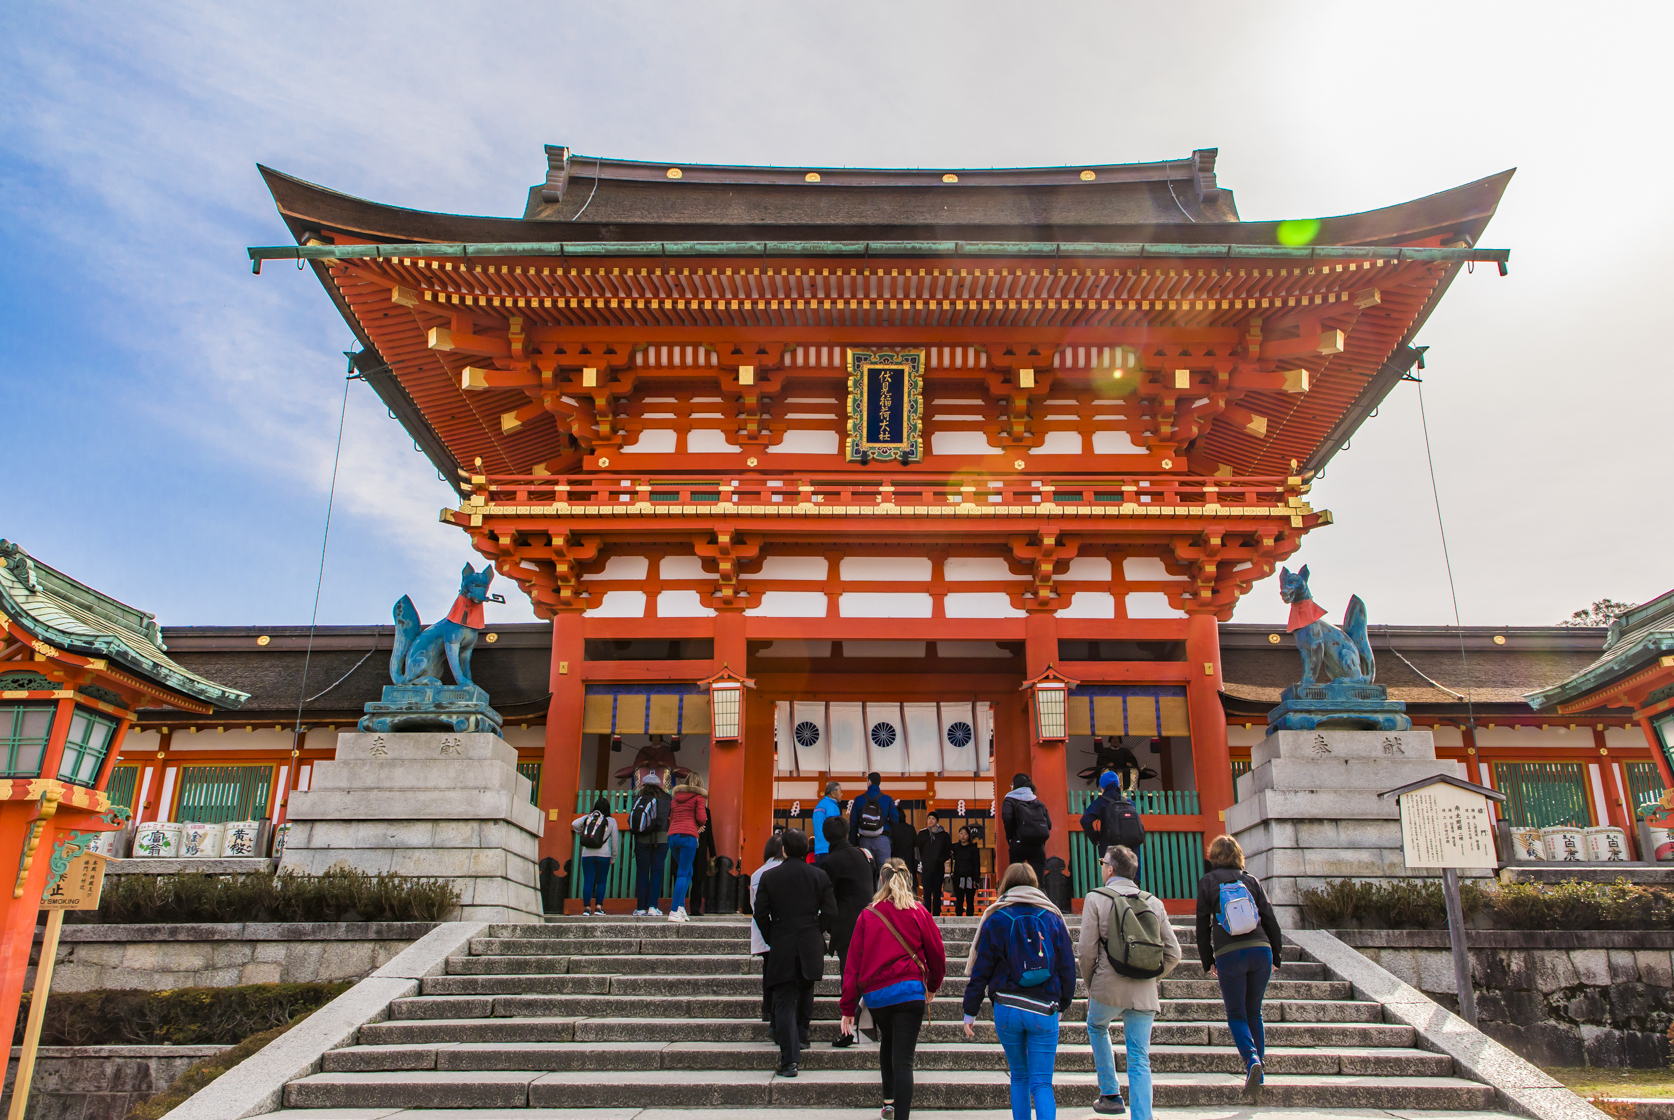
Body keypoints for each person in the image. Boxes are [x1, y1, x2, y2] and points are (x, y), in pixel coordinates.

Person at [961, 862, 1076, 1120]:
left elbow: (982, 968)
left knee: (1020, 1077)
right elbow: (1067, 966)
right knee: (1042, 1083)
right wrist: (1063, 1004)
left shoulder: (997, 917)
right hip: (1043, 1008)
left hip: (1007, 1007)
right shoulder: (1052, 917)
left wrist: (970, 1011)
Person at [840, 859, 947, 1120]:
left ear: (881, 881)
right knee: (904, 1060)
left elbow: (853, 962)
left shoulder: (868, 914)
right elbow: (937, 955)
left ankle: (888, 1103)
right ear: (909, 880)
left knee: (887, 1042)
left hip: (878, 995)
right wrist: (932, 985)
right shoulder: (919, 912)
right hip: (910, 992)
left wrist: (848, 1006)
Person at [1079, 844, 1181, 1118]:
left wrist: (1092, 986)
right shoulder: (1153, 901)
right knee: (1139, 1056)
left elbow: (1086, 952)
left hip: (1107, 986)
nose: (1102, 868)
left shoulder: (1096, 899)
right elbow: (1174, 953)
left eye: (1103, 863)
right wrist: (1151, 977)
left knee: (1097, 1025)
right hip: (1144, 991)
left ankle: (1110, 1093)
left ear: (1110, 869)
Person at [1195, 834, 1284, 1105]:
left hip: (1229, 953)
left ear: (1214, 855)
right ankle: (1260, 1073)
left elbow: (1202, 926)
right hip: (1261, 950)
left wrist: (1207, 960)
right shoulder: (1251, 880)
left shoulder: (1208, 882)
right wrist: (1276, 954)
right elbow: (1269, 918)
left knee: (1236, 1014)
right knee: (1253, 1012)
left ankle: (1251, 1059)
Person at [753, 828, 837, 1078]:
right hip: (810, 940)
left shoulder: (770, 877)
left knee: (785, 999)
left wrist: (772, 936)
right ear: (807, 849)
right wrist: (815, 930)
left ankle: (789, 1060)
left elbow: (760, 913)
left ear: (785, 850)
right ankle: (802, 1036)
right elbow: (831, 912)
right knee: (807, 988)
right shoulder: (819, 876)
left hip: (782, 939)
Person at [822, 816, 876, 1046]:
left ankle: (849, 1031)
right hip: (870, 922)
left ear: (826, 836)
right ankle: (870, 1028)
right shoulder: (865, 856)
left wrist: (823, 926)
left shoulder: (830, 862)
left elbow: (828, 900)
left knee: (849, 977)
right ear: (846, 833)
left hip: (846, 925)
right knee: (869, 976)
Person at [1080, 770, 1147, 885]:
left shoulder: (1101, 802)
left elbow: (1085, 820)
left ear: (1102, 787)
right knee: (1131, 885)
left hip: (1111, 847)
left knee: (1113, 884)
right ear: (1118, 785)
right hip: (1131, 851)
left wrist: (1096, 838)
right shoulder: (1129, 803)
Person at [750, 834, 786, 1023]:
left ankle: (766, 1006)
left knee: (768, 969)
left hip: (764, 929)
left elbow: (755, 907)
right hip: (784, 928)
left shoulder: (757, 873)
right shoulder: (786, 870)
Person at [666, 774, 709, 923]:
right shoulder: (699, 798)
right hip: (688, 836)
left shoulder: (675, 798)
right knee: (683, 873)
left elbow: (671, 817)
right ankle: (673, 911)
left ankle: (680, 907)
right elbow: (702, 818)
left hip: (673, 836)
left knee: (688, 870)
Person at [629, 773, 672, 916]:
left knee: (642, 872)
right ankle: (653, 906)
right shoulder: (666, 798)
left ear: (645, 784)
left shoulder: (639, 798)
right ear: (659, 785)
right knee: (656, 871)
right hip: (661, 838)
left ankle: (640, 908)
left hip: (642, 839)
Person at [572, 795, 619, 916]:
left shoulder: (588, 818)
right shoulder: (611, 821)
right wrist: (613, 857)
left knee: (588, 881)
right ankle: (599, 907)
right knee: (601, 881)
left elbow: (574, 823)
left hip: (587, 854)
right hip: (604, 855)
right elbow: (614, 841)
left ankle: (587, 908)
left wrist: (580, 833)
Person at [1000, 774, 1051, 883]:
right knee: (1039, 882)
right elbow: (1049, 824)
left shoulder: (1010, 800)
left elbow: (1007, 817)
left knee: (1016, 881)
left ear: (1016, 785)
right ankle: (1038, 898)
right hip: (1038, 846)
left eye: (1012, 784)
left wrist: (1010, 837)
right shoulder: (1037, 802)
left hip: (1018, 844)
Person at [850, 771, 897, 867]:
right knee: (884, 871)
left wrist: (854, 843)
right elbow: (895, 819)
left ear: (869, 782)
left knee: (867, 870)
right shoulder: (887, 799)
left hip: (864, 839)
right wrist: (890, 836)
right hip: (882, 839)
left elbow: (853, 822)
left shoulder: (859, 799)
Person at [915, 812, 953, 916]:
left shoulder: (943, 835)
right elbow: (917, 849)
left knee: (937, 892)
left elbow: (949, 850)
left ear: (937, 820)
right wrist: (919, 861)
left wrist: (942, 859)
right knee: (926, 892)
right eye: (929, 818)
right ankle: (926, 914)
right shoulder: (922, 833)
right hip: (926, 867)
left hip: (938, 867)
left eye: (933, 818)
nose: (931, 820)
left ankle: (936, 913)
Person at [950, 826, 982, 917]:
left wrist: (977, 879)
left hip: (970, 878)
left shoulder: (973, 848)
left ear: (969, 835)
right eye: (961, 833)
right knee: (959, 900)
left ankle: (969, 919)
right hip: (958, 877)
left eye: (965, 834)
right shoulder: (955, 847)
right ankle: (958, 919)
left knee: (970, 900)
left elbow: (976, 864)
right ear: (958, 835)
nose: (963, 836)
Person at [689, 817, 717, 915]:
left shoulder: (706, 812)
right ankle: (679, 906)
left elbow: (709, 832)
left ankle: (695, 908)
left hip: (701, 851)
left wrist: (713, 852)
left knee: (698, 880)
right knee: (684, 877)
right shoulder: (689, 808)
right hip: (687, 847)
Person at [812, 780, 844, 860]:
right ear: (833, 793)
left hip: (818, 849)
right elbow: (834, 827)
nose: (841, 794)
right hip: (829, 849)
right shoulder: (831, 806)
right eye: (840, 792)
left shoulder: (818, 806)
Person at [890, 812, 919, 891]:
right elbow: (916, 847)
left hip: (895, 864)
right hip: (910, 863)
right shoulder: (911, 829)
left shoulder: (892, 829)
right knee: (910, 889)